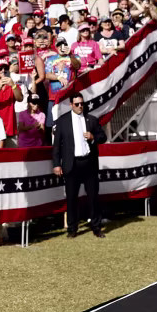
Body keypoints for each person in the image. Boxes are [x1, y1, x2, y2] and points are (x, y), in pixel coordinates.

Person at [52, 93, 107, 237]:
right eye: (76, 104)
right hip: (72, 164)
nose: (80, 106)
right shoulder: (62, 122)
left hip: (89, 163)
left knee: (93, 196)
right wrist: (56, 164)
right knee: (71, 198)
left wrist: (93, 137)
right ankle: (72, 229)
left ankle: (96, 227)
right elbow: (56, 145)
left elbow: (103, 137)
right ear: (71, 105)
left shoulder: (91, 119)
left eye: (82, 103)